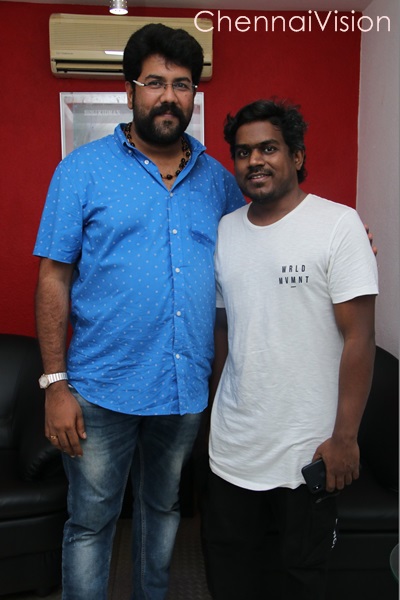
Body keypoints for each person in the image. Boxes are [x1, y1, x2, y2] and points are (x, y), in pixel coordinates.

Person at [33, 23, 244, 600]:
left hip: (182, 389)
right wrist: (55, 384)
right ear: (130, 91)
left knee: (163, 509)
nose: (168, 96)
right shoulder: (82, 170)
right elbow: (53, 278)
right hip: (101, 388)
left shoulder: (218, 183)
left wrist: (330, 240)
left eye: (182, 84)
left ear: (194, 95)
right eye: (155, 82)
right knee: (90, 523)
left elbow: (260, 246)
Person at [201, 98, 379, 600]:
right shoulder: (225, 231)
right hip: (233, 447)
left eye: (268, 148)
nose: (254, 161)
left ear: (297, 156)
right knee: (231, 577)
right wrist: (214, 410)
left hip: (307, 449)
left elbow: (360, 337)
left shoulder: (338, 225)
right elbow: (223, 329)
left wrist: (345, 438)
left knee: (299, 580)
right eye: (243, 152)